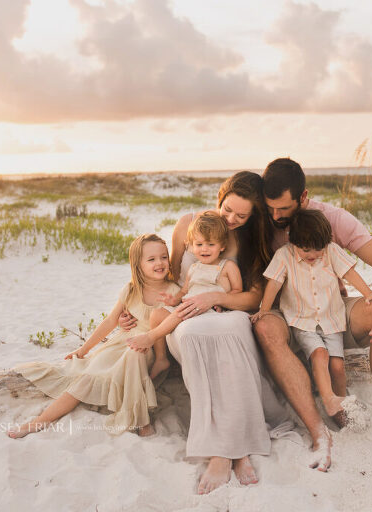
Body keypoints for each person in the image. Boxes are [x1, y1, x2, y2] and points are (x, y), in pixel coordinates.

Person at [253, 158, 372, 468]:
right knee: (266, 328)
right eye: (270, 208)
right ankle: (318, 433)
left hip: (330, 314)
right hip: (286, 316)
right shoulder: (262, 219)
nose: (276, 216)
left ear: (303, 197)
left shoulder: (333, 219)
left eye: (284, 210)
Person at [116, 172, 290, 494]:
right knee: (193, 335)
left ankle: (227, 451)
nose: (232, 219)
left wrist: (216, 297)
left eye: (242, 215)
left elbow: (252, 297)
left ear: (253, 215)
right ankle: (230, 450)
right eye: (228, 210)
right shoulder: (189, 225)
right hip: (186, 315)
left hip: (229, 312)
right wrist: (134, 308)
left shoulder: (250, 240)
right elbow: (167, 276)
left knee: (230, 335)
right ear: (219, 197)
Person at [7, 234, 180, 439]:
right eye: (151, 259)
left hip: (147, 348)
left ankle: (142, 420)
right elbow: (110, 322)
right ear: (138, 264)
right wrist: (83, 350)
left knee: (134, 354)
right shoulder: (131, 289)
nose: (159, 263)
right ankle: (37, 422)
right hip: (119, 345)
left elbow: (174, 320)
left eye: (163, 257)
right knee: (86, 379)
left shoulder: (173, 292)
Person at [251, 209, 372, 428]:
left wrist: (369, 294)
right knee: (319, 354)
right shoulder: (284, 255)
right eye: (306, 250)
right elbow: (274, 283)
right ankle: (329, 400)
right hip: (302, 320)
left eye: (318, 249)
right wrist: (264, 310)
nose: (313, 254)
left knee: (337, 367)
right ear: (293, 241)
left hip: (331, 318)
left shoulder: (331, 250)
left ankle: (341, 404)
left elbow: (349, 274)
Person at [125, 211, 241, 351]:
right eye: (199, 244)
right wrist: (174, 300)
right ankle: (161, 359)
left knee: (180, 314)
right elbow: (184, 291)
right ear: (191, 246)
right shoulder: (193, 268)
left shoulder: (227, 266)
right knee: (157, 314)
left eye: (211, 244)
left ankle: (151, 336)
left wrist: (222, 303)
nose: (204, 249)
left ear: (222, 246)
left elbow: (237, 290)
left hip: (208, 307)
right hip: (189, 305)